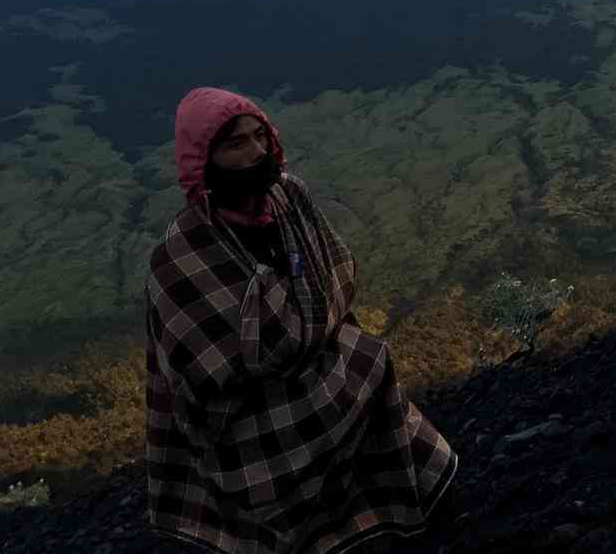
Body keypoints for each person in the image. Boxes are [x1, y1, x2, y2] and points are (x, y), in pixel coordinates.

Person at [145, 86, 458, 553]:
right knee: (329, 392)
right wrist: (284, 340)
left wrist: (301, 333)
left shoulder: (289, 198)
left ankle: (384, 513)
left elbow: (336, 275)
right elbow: (197, 375)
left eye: (260, 137)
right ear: (202, 161)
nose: (256, 153)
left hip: (321, 361)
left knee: (369, 360)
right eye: (235, 144)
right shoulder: (180, 254)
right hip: (245, 413)